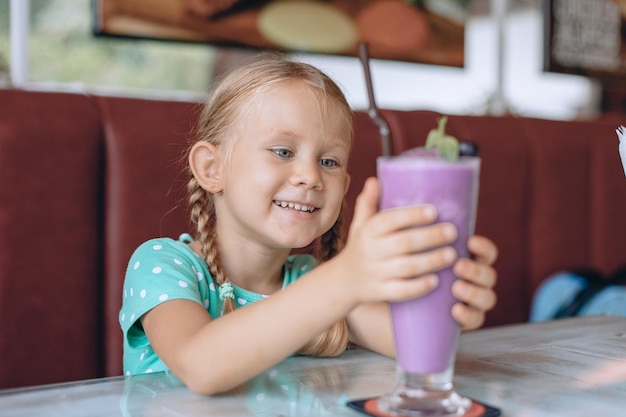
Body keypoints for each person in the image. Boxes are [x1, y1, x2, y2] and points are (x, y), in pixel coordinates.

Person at [119, 53, 498, 395]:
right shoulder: (163, 265)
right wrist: (344, 278)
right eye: (283, 151)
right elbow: (201, 366)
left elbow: (417, 347)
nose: (310, 177)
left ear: (344, 187)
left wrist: (447, 293)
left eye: (329, 162)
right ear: (212, 168)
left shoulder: (307, 278)